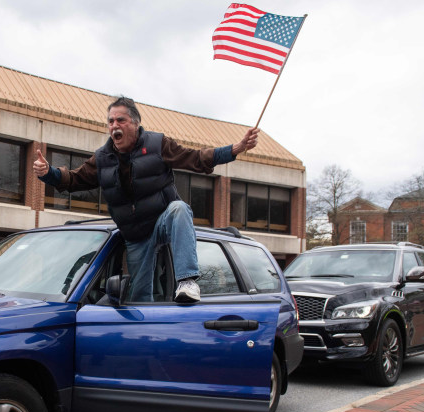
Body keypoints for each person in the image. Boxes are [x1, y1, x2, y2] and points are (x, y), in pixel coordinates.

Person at [33, 96, 258, 303]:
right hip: (136, 237)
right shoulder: (103, 158)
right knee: (139, 297)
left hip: (162, 221)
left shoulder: (157, 145)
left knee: (179, 209)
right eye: (110, 121)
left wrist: (235, 149)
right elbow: (74, 180)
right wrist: (49, 173)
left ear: (135, 123)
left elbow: (196, 158)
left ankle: (187, 281)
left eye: (120, 120)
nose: (114, 126)